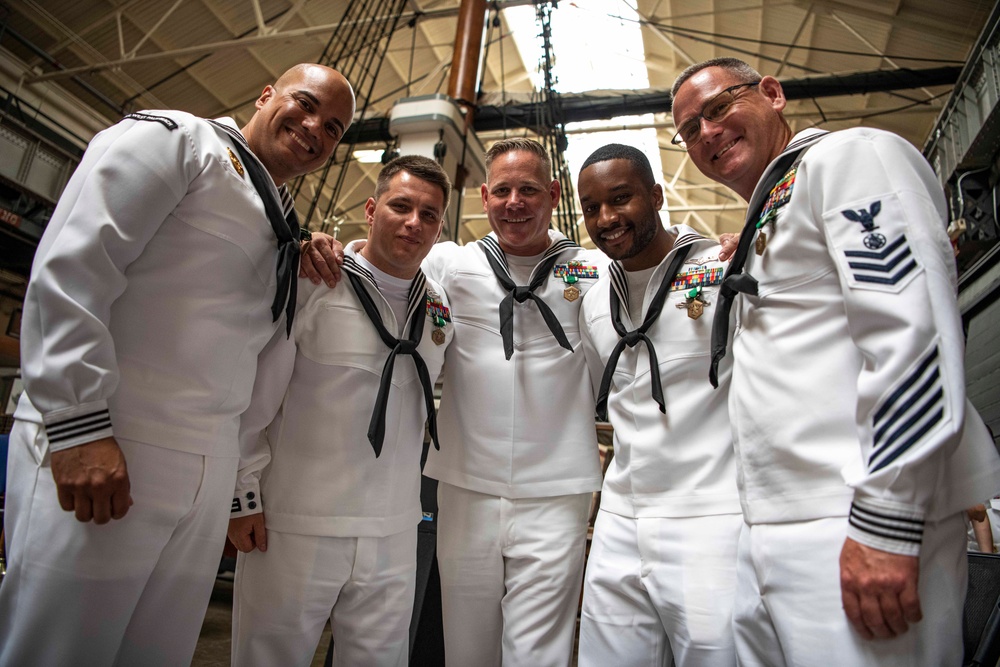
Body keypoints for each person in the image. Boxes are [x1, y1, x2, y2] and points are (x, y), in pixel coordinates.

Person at [0, 63, 355, 666]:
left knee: (153, 654)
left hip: (204, 470)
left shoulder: (279, 226)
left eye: (335, 128)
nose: (315, 128)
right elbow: (73, 270)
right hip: (115, 443)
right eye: (305, 104)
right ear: (266, 94)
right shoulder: (178, 142)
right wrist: (77, 423)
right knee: (60, 649)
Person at [670, 57, 1000, 665]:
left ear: (772, 93)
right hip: (771, 525)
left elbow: (910, 330)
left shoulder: (851, 157)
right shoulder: (769, 212)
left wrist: (887, 518)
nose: (707, 133)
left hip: (851, 518)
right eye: (690, 129)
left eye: (718, 109)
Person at [302, 137, 608, 666]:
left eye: (530, 190)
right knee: (465, 646)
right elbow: (385, 271)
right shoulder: (450, 263)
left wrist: (714, 243)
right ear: (485, 195)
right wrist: (334, 249)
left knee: (540, 652)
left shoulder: (592, 270)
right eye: (504, 190)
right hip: (466, 485)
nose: (516, 202)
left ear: (554, 194)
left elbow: (658, 270)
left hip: (557, 492)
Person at [226, 155, 452, 666]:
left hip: (394, 529)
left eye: (430, 215)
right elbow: (253, 397)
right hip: (295, 523)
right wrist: (241, 496)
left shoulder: (438, 306)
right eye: (401, 206)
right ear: (371, 209)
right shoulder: (314, 281)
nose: (414, 223)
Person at [576, 143, 741, 666]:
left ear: (656, 194)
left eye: (621, 198)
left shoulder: (723, 268)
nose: (606, 218)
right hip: (621, 519)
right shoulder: (591, 293)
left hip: (711, 515)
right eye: (591, 207)